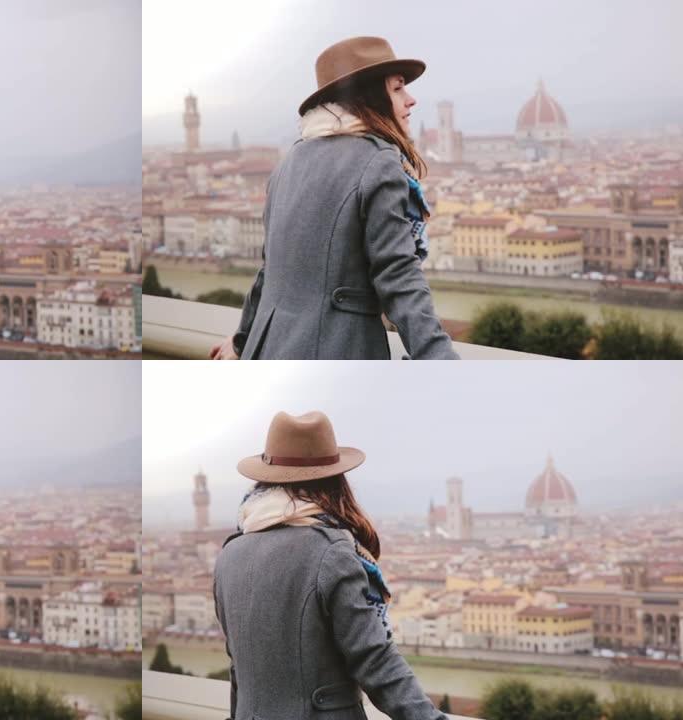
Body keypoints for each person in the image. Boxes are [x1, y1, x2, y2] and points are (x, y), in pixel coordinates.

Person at [210, 37, 457, 359]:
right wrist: (440, 359)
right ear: (368, 96)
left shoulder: (289, 161)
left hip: (268, 348)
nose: (411, 100)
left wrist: (243, 339)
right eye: (398, 89)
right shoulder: (378, 161)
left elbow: (270, 271)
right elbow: (399, 277)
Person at [214, 411, 445, 719]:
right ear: (336, 480)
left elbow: (238, 670)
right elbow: (375, 660)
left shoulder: (230, 554)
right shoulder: (331, 551)